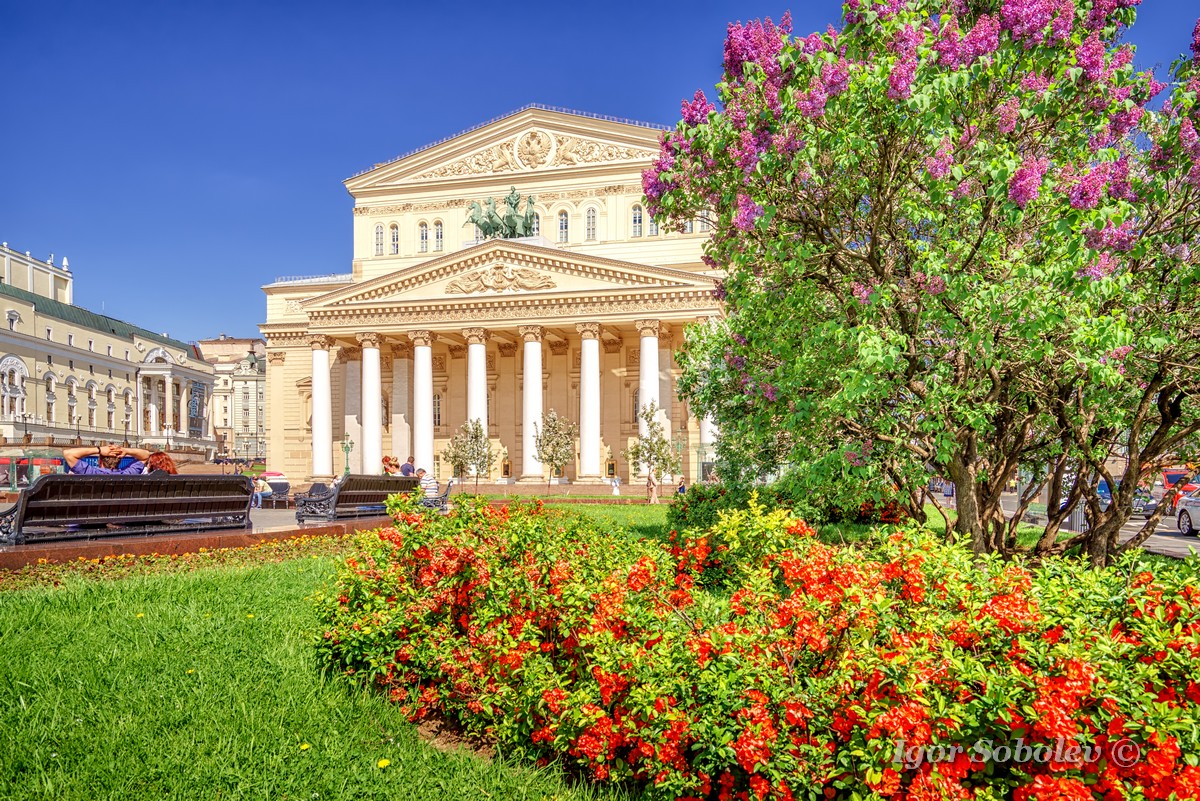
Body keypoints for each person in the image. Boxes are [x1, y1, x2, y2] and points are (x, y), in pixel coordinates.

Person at [63, 445, 152, 475]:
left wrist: (99, 449)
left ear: (99, 461)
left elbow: (68, 454)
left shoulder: (91, 473)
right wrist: (125, 450)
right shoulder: (128, 473)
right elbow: (146, 455)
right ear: (119, 460)